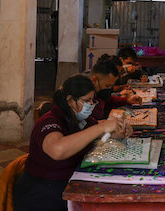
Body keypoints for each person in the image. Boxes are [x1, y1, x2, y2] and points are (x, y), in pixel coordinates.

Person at [14, 75, 129, 211]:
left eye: (93, 100)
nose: (91, 105)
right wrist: (101, 128)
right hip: (42, 193)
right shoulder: (50, 121)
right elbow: (58, 150)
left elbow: (102, 129)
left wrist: (122, 129)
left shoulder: (80, 120)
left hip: (65, 184)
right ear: (70, 101)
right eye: (87, 100)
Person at [88, 55, 141, 120]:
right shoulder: (83, 95)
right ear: (94, 80)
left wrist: (127, 100)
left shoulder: (99, 92)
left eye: (111, 86)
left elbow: (108, 100)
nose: (109, 89)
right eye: (107, 86)